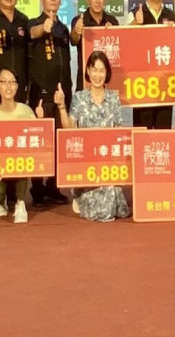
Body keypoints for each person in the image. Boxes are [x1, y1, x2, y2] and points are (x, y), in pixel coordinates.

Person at [55, 51, 130, 222]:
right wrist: (61, 107)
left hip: (108, 164)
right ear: (88, 71)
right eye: (94, 70)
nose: (98, 75)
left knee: (118, 204)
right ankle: (80, 195)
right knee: (105, 210)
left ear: (107, 73)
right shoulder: (79, 98)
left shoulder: (113, 98)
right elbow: (69, 128)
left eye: (102, 71)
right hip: (86, 165)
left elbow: (118, 131)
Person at [27, 0, 72, 206]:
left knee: (58, 141)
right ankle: (36, 187)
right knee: (40, 140)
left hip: (63, 94)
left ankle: (53, 186)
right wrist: (42, 28)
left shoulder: (63, 29)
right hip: (41, 94)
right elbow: (33, 33)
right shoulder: (32, 24)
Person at [0, 68, 34, 224]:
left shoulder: (26, 111)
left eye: (12, 82)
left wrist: (40, 121)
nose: (8, 86)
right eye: (4, 82)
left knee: (23, 157)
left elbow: (35, 143)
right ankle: (1, 200)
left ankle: (20, 203)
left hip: (19, 167)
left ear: (17, 86)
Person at [129, 0, 175, 130]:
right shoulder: (135, 12)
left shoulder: (172, 15)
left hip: (165, 85)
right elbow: (124, 39)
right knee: (143, 133)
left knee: (163, 134)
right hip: (142, 86)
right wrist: (136, 23)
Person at [70, 0, 119, 92]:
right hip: (85, 84)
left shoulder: (112, 21)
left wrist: (113, 32)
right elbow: (73, 40)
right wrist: (77, 31)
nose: (97, 1)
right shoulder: (79, 20)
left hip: (107, 85)